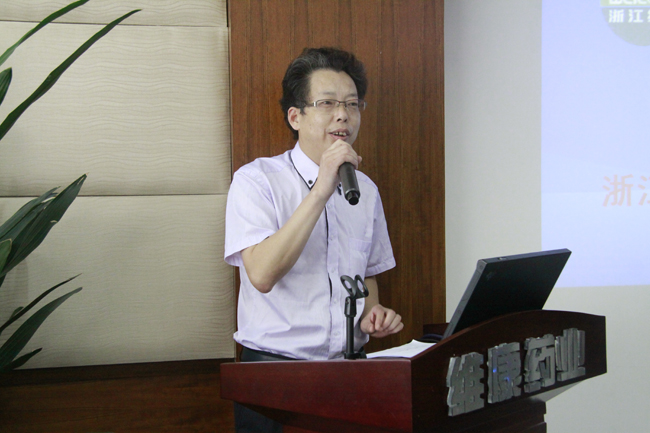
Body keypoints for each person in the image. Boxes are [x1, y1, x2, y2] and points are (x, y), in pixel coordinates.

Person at [224, 47, 403, 432]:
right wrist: (321, 189)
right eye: (327, 103)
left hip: (351, 372)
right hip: (276, 377)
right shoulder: (257, 181)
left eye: (352, 104)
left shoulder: (366, 190)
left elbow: (366, 274)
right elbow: (262, 275)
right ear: (296, 116)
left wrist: (373, 313)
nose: (343, 115)